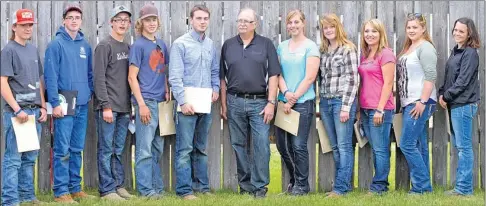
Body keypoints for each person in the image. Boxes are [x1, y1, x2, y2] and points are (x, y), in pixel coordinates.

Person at [220, 7, 280, 198]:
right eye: (240, 21)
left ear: (255, 24)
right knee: (238, 144)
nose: (242, 24)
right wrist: (224, 104)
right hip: (234, 101)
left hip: (260, 103)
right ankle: (245, 186)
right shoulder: (228, 45)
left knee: (261, 145)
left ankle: (260, 187)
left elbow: (274, 75)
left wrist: (271, 102)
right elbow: (222, 78)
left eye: (246, 21)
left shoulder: (266, 44)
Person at [44, 4, 95, 203]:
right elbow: (51, 76)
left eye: (77, 17)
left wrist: (88, 92)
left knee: (76, 148)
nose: (74, 20)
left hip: (82, 103)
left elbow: (90, 74)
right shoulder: (56, 44)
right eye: (70, 17)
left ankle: (75, 188)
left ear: (81, 21)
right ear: (64, 20)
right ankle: (60, 191)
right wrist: (55, 102)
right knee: (62, 149)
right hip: (63, 104)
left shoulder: (85, 45)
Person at [169, 4, 219, 200]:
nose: (202, 21)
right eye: (198, 18)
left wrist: (215, 89)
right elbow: (174, 77)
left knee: (201, 148)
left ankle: (202, 188)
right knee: (184, 149)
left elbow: (215, 71)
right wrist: (182, 102)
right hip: (187, 106)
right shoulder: (180, 44)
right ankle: (185, 190)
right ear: (191, 20)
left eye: (205, 18)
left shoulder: (210, 45)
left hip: (205, 104)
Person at [1, 8, 47, 206]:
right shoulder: (8, 50)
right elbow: (3, 83)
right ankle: (10, 200)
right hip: (17, 113)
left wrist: (43, 107)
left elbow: (39, 81)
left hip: (34, 112)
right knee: (13, 160)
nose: (28, 28)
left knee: (30, 158)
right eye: (23, 25)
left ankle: (27, 196)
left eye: (30, 25)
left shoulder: (33, 49)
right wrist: (17, 110)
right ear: (14, 27)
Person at [275, 10, 319, 196]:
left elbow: (310, 77)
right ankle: (294, 181)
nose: (293, 25)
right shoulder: (282, 47)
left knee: (298, 145)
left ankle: (302, 185)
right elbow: (278, 74)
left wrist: (293, 99)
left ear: (303, 24)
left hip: (302, 102)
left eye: (296, 22)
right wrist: (285, 94)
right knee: (281, 145)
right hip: (283, 101)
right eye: (290, 23)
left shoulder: (311, 47)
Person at [127, 4, 169, 199]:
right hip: (147, 102)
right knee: (144, 149)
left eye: (154, 20)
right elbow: (131, 77)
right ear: (140, 23)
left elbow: (163, 72)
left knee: (157, 147)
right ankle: (145, 191)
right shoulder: (138, 45)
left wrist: (167, 91)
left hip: (161, 103)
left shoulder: (161, 44)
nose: (151, 23)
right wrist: (141, 104)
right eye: (147, 20)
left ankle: (156, 188)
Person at [93, 5, 133, 201]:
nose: (122, 23)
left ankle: (119, 185)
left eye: (125, 20)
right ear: (112, 22)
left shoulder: (127, 47)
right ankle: (106, 190)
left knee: (118, 150)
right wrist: (105, 106)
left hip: (124, 107)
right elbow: (99, 78)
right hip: (109, 108)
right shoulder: (104, 46)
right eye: (119, 20)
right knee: (106, 149)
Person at [318, 13, 359, 198]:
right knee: (334, 146)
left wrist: (345, 107)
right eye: (325, 27)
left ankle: (340, 188)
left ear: (338, 28)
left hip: (341, 101)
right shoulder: (324, 50)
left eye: (331, 27)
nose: (328, 30)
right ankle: (344, 186)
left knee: (344, 146)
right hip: (326, 101)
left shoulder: (347, 49)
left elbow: (352, 79)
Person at [396, 13, 437, 195]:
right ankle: (423, 187)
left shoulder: (425, 47)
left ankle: (422, 186)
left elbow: (431, 76)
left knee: (407, 144)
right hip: (409, 102)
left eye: (415, 27)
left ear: (423, 29)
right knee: (418, 145)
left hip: (419, 102)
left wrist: (422, 101)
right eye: (409, 27)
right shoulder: (409, 47)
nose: (411, 30)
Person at [440, 17, 481, 196]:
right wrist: (442, 92)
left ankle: (464, 189)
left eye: (461, 31)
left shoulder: (470, 53)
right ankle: (461, 187)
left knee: (464, 148)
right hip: (455, 104)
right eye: (455, 30)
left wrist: (446, 96)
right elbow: (449, 76)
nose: (457, 33)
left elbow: (463, 81)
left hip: (464, 105)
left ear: (469, 33)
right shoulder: (456, 51)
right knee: (460, 146)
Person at [358, 18, 395, 195]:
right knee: (376, 148)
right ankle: (380, 184)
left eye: (374, 31)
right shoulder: (364, 55)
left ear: (381, 34)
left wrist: (380, 109)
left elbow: (388, 84)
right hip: (365, 108)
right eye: (366, 31)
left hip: (380, 109)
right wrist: (359, 109)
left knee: (380, 149)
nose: (369, 35)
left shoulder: (386, 54)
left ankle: (380, 186)